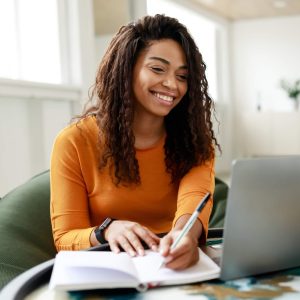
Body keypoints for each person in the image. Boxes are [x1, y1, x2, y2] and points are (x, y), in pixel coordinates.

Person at [50, 14, 219, 270]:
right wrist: (107, 230)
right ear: (125, 69)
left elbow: (193, 198)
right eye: (157, 69)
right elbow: (64, 237)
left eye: (183, 76)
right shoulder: (74, 141)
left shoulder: (195, 140)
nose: (172, 84)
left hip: (173, 267)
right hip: (107, 270)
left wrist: (185, 236)